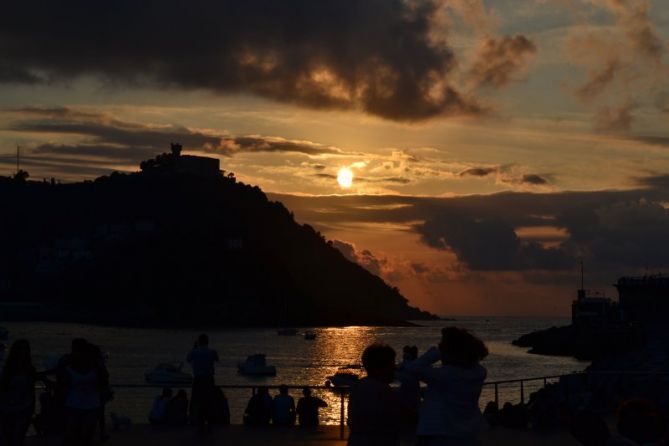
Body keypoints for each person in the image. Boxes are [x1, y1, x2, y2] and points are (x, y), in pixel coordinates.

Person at [406, 327, 489, 446]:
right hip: (467, 432)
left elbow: (411, 369)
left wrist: (434, 353)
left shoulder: (445, 375)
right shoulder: (479, 372)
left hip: (440, 433)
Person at [347, 344, 401, 446]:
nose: (395, 367)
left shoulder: (357, 387)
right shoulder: (384, 391)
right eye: (392, 363)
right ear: (380, 367)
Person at [59, 338, 108, 446]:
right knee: (72, 436)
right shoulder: (68, 366)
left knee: (86, 437)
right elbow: (62, 385)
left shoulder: (96, 367)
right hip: (73, 405)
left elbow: (104, 381)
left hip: (91, 406)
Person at [0, 340, 36, 446]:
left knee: (17, 439)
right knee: (6, 439)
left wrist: (31, 410)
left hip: (24, 408)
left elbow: (31, 390)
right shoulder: (5, 369)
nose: (23, 352)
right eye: (20, 348)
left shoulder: (30, 369)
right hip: (5, 408)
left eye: (25, 349)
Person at [186, 334, 219, 434]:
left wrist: (194, 348)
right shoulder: (212, 352)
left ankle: (196, 420)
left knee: (196, 400)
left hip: (198, 379)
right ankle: (209, 421)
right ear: (207, 342)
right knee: (209, 400)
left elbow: (188, 359)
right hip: (209, 379)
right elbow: (217, 359)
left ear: (199, 342)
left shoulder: (194, 352)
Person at [396, 345, 420, 426]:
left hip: (409, 388)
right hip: (412, 388)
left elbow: (398, 370)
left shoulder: (408, 364)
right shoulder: (415, 364)